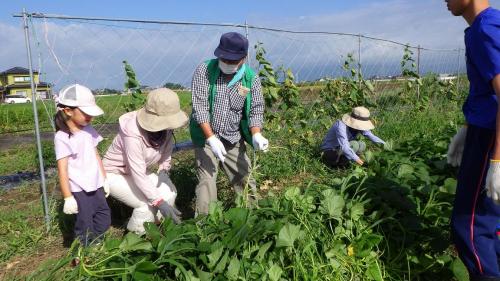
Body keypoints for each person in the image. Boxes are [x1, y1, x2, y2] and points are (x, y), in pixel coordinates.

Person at [445, 1, 500, 280]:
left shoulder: (485, 29)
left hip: (491, 135)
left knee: (470, 227)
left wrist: (497, 161)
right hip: (484, 128)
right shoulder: (485, 26)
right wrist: (465, 128)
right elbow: (486, 90)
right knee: (492, 221)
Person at [189, 31, 268, 215]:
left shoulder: (251, 79)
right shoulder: (204, 71)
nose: (228, 64)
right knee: (207, 181)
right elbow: (199, 107)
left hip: (233, 137)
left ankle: (252, 217)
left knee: (245, 177)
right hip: (206, 135)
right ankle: (206, 225)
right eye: (224, 59)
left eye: (233, 61)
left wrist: (256, 133)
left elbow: (256, 109)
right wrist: (211, 138)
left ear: (243, 58)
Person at [102, 88, 188, 234]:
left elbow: (166, 152)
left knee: (170, 192)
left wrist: (164, 170)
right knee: (146, 205)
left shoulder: (166, 130)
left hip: (136, 171)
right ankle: (136, 240)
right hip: (114, 173)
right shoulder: (132, 133)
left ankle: (157, 227)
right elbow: (138, 174)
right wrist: (158, 202)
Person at [54, 84, 111, 246]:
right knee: (85, 221)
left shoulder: (89, 130)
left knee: (103, 215)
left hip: (96, 183)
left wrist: (104, 179)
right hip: (79, 188)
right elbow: (62, 169)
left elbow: (96, 155)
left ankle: (97, 241)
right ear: (68, 111)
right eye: (85, 113)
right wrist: (67, 197)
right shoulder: (62, 137)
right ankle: (85, 250)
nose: (90, 117)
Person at [320, 106, 385, 167]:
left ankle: (349, 161)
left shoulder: (359, 127)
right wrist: (362, 163)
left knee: (362, 144)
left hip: (341, 149)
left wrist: (386, 146)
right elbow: (344, 146)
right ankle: (338, 164)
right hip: (330, 150)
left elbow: (371, 136)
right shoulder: (340, 126)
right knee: (355, 145)